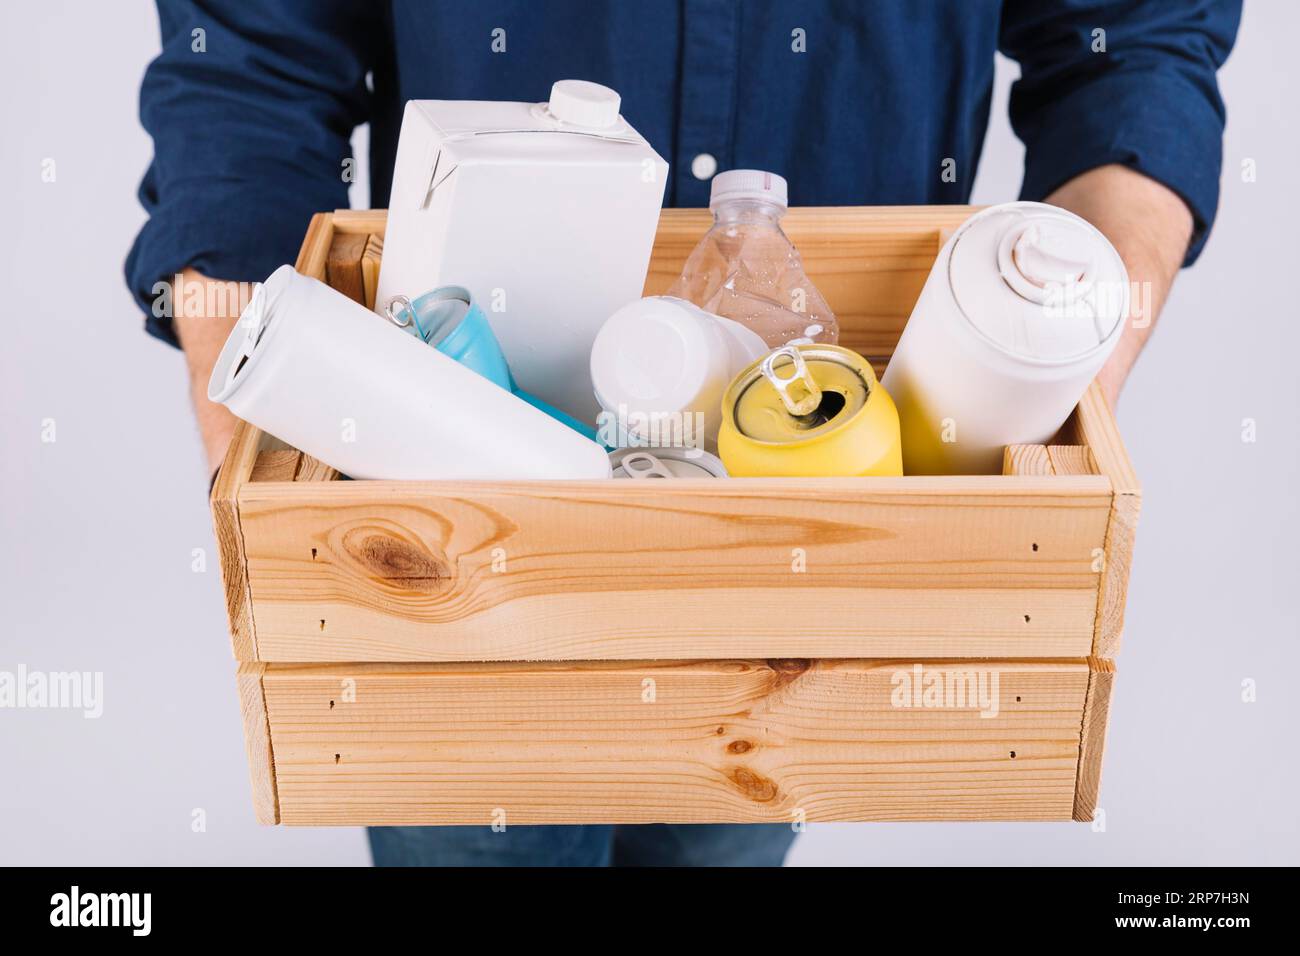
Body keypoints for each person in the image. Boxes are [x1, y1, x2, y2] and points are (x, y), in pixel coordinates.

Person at [126, 0, 1240, 867]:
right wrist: (271, 468)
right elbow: (248, 70)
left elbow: (1131, 47)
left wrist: (1048, 348)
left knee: (724, 828)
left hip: (809, 551)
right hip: (444, 577)